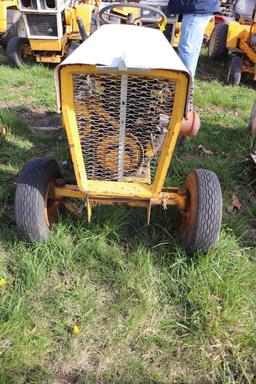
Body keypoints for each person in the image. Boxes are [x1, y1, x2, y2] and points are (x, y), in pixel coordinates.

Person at [166, 0, 220, 110]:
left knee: (187, 49)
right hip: (196, 6)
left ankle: (183, 96)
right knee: (191, 49)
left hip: (196, 5)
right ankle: (183, 94)